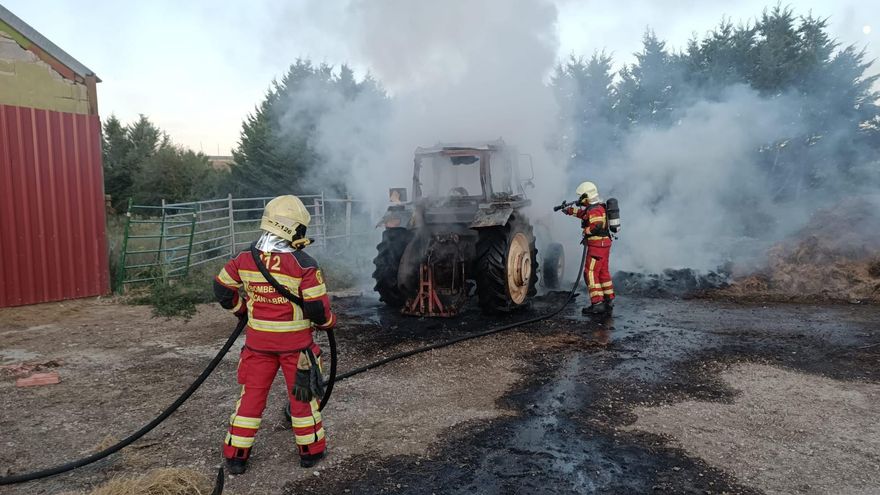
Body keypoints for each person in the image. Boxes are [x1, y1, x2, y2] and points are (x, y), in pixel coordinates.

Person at [213, 195, 337, 474]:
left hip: (258, 346)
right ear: (295, 228)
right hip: (297, 349)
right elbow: (318, 310)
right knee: (303, 399)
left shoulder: (244, 258)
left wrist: (241, 310)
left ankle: (236, 456)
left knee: (251, 398)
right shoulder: (304, 264)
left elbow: (221, 288)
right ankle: (310, 452)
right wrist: (329, 322)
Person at [561, 181, 615, 314]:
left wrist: (586, 231)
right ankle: (608, 299)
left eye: (581, 196)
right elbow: (584, 214)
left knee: (590, 273)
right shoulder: (597, 207)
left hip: (597, 246)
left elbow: (596, 226)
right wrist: (569, 211)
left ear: (587, 196)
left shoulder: (595, 210)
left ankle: (597, 303)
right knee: (603, 272)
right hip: (604, 244)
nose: (580, 199)